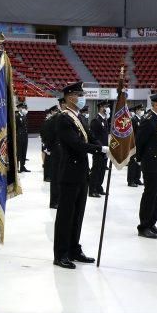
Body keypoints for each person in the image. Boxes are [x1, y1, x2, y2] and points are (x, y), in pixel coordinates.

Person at [53, 82, 108, 269]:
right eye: (79, 94)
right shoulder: (63, 119)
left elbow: (90, 137)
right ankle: (61, 254)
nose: (82, 97)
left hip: (82, 172)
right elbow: (76, 143)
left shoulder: (80, 118)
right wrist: (99, 149)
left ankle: (74, 249)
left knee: (78, 214)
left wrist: (105, 147)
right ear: (69, 97)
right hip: (69, 173)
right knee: (65, 216)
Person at [136, 93, 157, 239]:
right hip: (151, 164)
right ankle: (143, 226)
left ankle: (151, 222)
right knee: (150, 195)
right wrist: (140, 159)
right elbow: (140, 142)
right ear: (156, 104)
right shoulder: (148, 120)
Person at [88, 100, 110, 198]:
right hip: (98, 149)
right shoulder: (95, 120)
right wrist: (101, 147)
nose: (107, 108)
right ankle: (92, 189)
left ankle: (99, 187)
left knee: (102, 170)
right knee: (96, 170)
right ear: (101, 107)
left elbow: (105, 135)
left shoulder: (105, 120)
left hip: (105, 150)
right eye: (106, 106)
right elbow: (93, 137)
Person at [127, 105, 144, 187]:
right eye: (140, 110)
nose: (141, 111)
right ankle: (130, 180)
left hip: (139, 144)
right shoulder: (133, 120)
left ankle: (137, 178)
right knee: (132, 163)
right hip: (134, 144)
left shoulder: (140, 119)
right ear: (137, 110)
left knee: (138, 162)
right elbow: (132, 133)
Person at [16, 102, 30, 172]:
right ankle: (18, 167)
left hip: (25, 136)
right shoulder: (16, 116)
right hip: (19, 136)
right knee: (19, 152)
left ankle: (22, 166)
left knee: (24, 151)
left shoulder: (24, 116)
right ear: (19, 108)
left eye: (25, 108)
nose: (24, 109)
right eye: (23, 108)